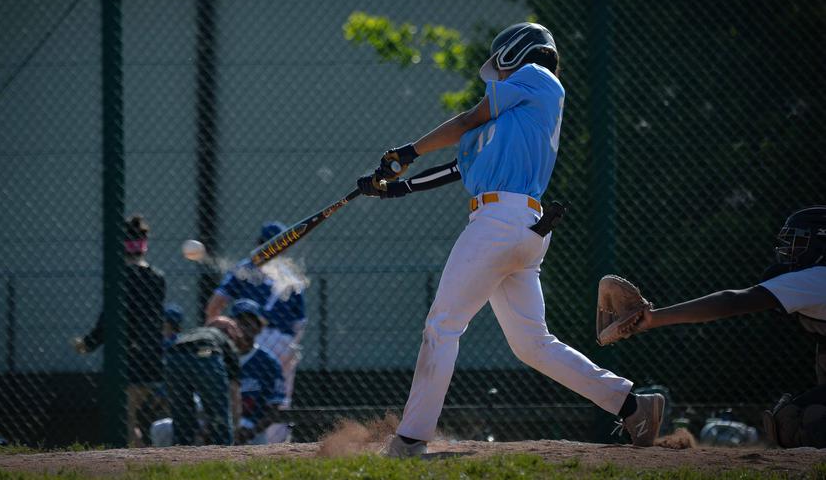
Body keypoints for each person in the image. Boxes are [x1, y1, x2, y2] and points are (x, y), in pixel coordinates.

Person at [357, 22, 664, 456]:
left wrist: (406, 152)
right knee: (532, 344)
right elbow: (455, 169)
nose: (497, 80)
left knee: (443, 324)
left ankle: (409, 439)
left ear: (516, 53)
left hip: (500, 223)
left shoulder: (537, 78)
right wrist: (395, 185)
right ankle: (633, 406)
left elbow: (467, 119)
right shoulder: (510, 121)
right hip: (519, 228)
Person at [617, 206, 826, 446]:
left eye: (799, 243)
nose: (788, 252)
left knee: (798, 419)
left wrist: (654, 318)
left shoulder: (818, 277)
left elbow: (733, 301)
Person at [204, 221, 307, 443]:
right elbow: (300, 322)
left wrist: (216, 330)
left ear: (259, 243)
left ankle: (239, 438)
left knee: (244, 388)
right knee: (280, 398)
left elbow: (215, 305)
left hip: (253, 337)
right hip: (286, 341)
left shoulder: (247, 266)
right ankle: (277, 446)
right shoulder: (289, 273)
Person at [73, 213, 167, 447]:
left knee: (127, 421)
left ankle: (139, 462)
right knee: (157, 418)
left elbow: (109, 319)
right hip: (154, 356)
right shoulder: (157, 278)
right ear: (144, 247)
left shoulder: (120, 278)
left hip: (126, 358)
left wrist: (89, 343)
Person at [161, 317, 241, 446]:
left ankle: (181, 449)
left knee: (181, 414)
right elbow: (233, 388)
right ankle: (223, 449)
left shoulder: (192, 332)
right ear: (229, 331)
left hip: (173, 356)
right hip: (206, 352)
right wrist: (235, 424)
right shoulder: (225, 340)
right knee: (218, 414)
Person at [228, 299, 287, 445]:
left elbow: (274, 409)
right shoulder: (220, 357)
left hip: (252, 430)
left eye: (249, 322)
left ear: (259, 328)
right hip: (220, 425)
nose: (243, 327)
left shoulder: (269, 363)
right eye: (240, 322)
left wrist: (250, 432)